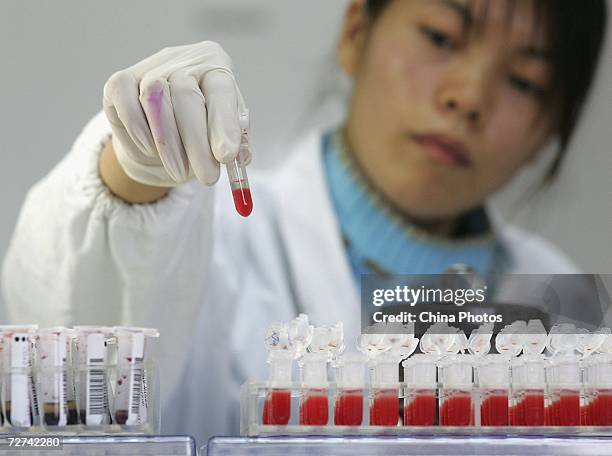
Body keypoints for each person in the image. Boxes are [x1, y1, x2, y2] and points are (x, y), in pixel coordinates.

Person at [1, 0, 607, 443]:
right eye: (441, 37)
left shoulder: (568, 309)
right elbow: (68, 359)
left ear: (548, 135)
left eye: (526, 80)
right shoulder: (211, 242)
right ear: (355, 33)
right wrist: (132, 181)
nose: (469, 95)